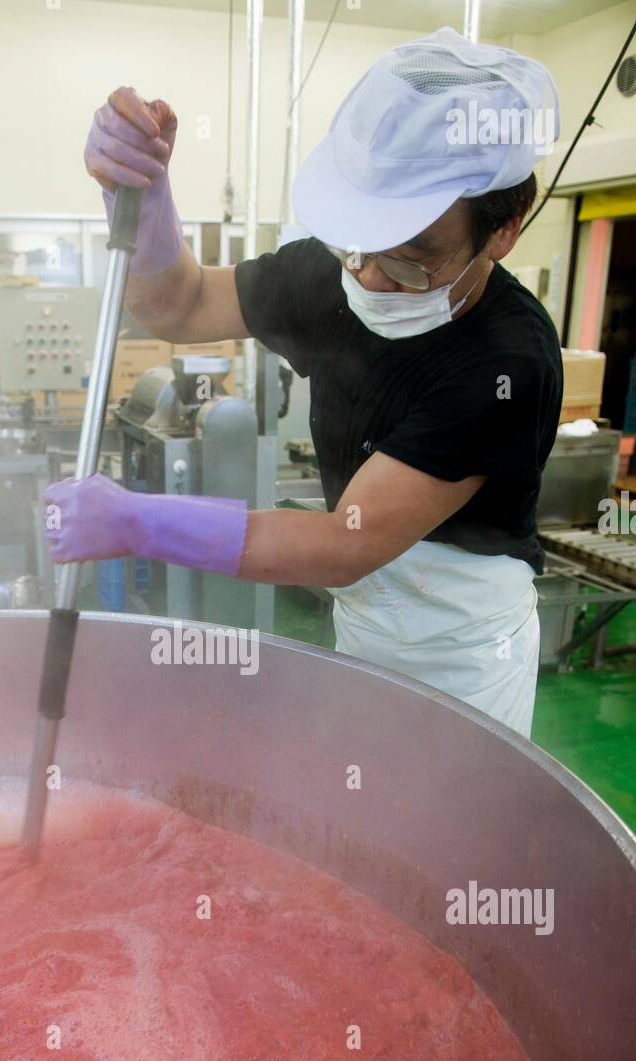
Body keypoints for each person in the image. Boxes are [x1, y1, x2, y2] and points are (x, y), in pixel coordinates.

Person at [45, 26, 563, 738]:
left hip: (464, 650)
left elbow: (341, 544)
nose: (372, 277)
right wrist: (141, 195)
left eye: (415, 259)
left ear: (503, 231)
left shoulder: (506, 362)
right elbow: (180, 304)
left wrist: (138, 521)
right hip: (367, 620)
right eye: (362, 245)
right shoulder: (331, 274)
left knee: (444, 829)